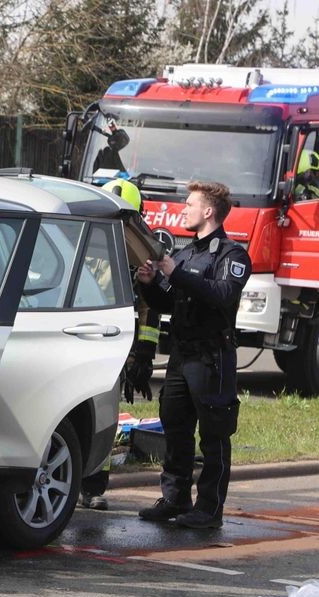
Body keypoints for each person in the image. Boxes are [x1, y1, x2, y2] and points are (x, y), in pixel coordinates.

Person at [136, 181, 251, 529]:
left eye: (189, 204)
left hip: (210, 357)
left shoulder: (231, 255)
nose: (183, 210)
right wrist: (151, 283)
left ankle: (209, 509)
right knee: (175, 426)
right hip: (180, 357)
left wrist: (176, 274)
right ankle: (174, 497)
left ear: (208, 211)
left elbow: (221, 295)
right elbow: (169, 302)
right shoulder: (184, 254)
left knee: (214, 433)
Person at [78, 178, 160, 510]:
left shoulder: (83, 239)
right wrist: (142, 356)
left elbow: (149, 308)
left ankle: (92, 485)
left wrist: (142, 355)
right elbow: (147, 310)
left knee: (102, 417)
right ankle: (87, 485)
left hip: (100, 342)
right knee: (98, 417)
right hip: (95, 340)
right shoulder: (121, 249)